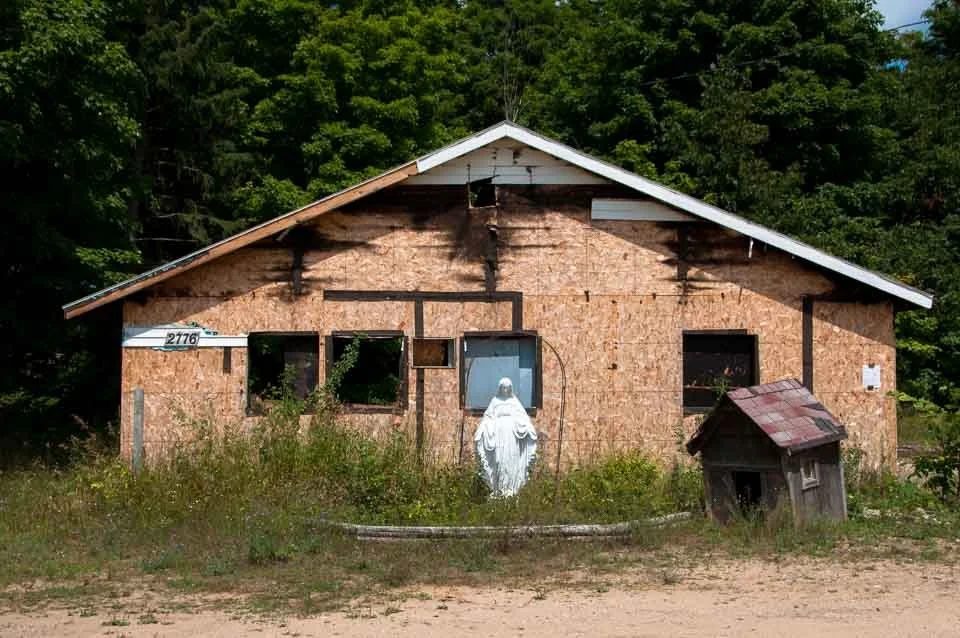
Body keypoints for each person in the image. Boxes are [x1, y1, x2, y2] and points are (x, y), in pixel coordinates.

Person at [474, 377, 538, 497]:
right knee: (499, 460)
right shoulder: (495, 401)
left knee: (510, 459)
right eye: (503, 387)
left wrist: (527, 426)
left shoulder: (514, 402)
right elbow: (487, 417)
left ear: (510, 388)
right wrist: (484, 427)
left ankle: (511, 489)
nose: (505, 390)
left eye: (507, 388)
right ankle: (499, 488)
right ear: (500, 388)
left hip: (511, 436)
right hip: (499, 434)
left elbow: (523, 417)